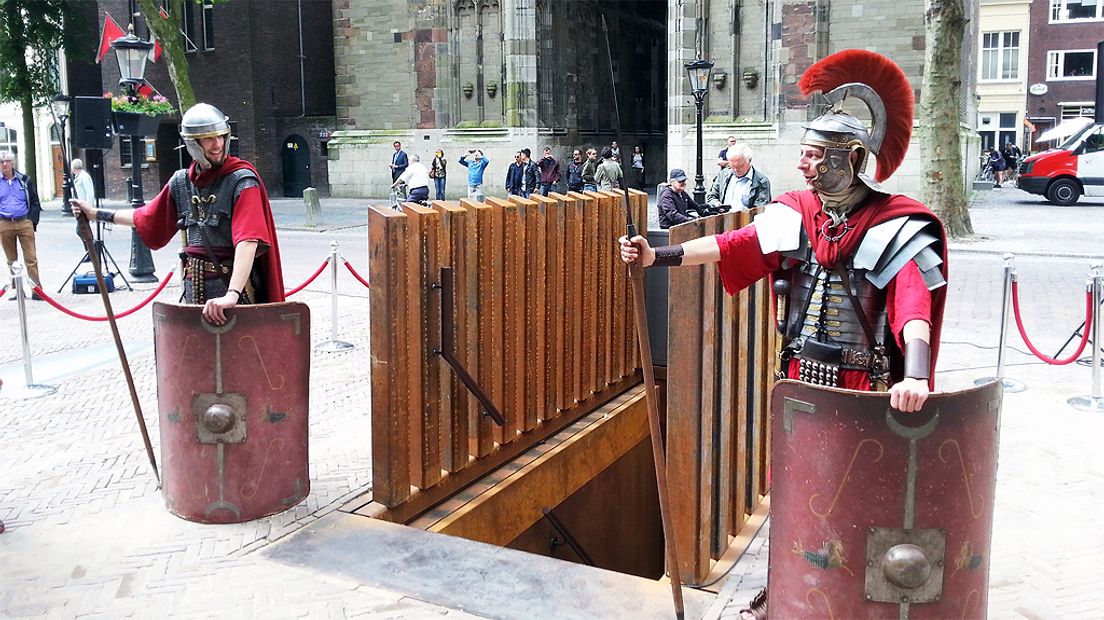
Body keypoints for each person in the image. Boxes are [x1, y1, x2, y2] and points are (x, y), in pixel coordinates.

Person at [620, 50, 946, 421]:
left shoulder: (896, 224)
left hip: (864, 386)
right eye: (802, 154)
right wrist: (655, 256)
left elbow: (913, 307)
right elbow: (730, 244)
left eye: (812, 155)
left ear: (851, 159)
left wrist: (917, 376)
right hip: (798, 377)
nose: (801, 164)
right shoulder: (798, 212)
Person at [71, 103, 283, 325]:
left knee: (239, 356)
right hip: (193, 293)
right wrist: (94, 213)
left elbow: (248, 240)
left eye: (221, 136)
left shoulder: (242, 181)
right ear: (192, 143)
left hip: (234, 295)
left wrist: (232, 294)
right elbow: (144, 217)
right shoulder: (181, 183)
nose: (217, 144)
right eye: (209, 138)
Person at [0, 150, 42, 300]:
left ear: (13, 163)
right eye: (1, 161)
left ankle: (37, 291)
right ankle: (17, 291)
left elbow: (35, 201)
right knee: (12, 260)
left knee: (31, 258)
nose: (4, 164)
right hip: (4, 223)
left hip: (24, 222)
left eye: (7, 161)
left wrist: (31, 221)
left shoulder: (24, 180)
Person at [705, 144, 772, 212]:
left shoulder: (761, 181)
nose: (736, 170)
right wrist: (717, 204)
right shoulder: (723, 174)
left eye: (740, 166)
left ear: (750, 160)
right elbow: (711, 197)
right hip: (723, 220)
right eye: (732, 166)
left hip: (747, 221)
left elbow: (760, 209)